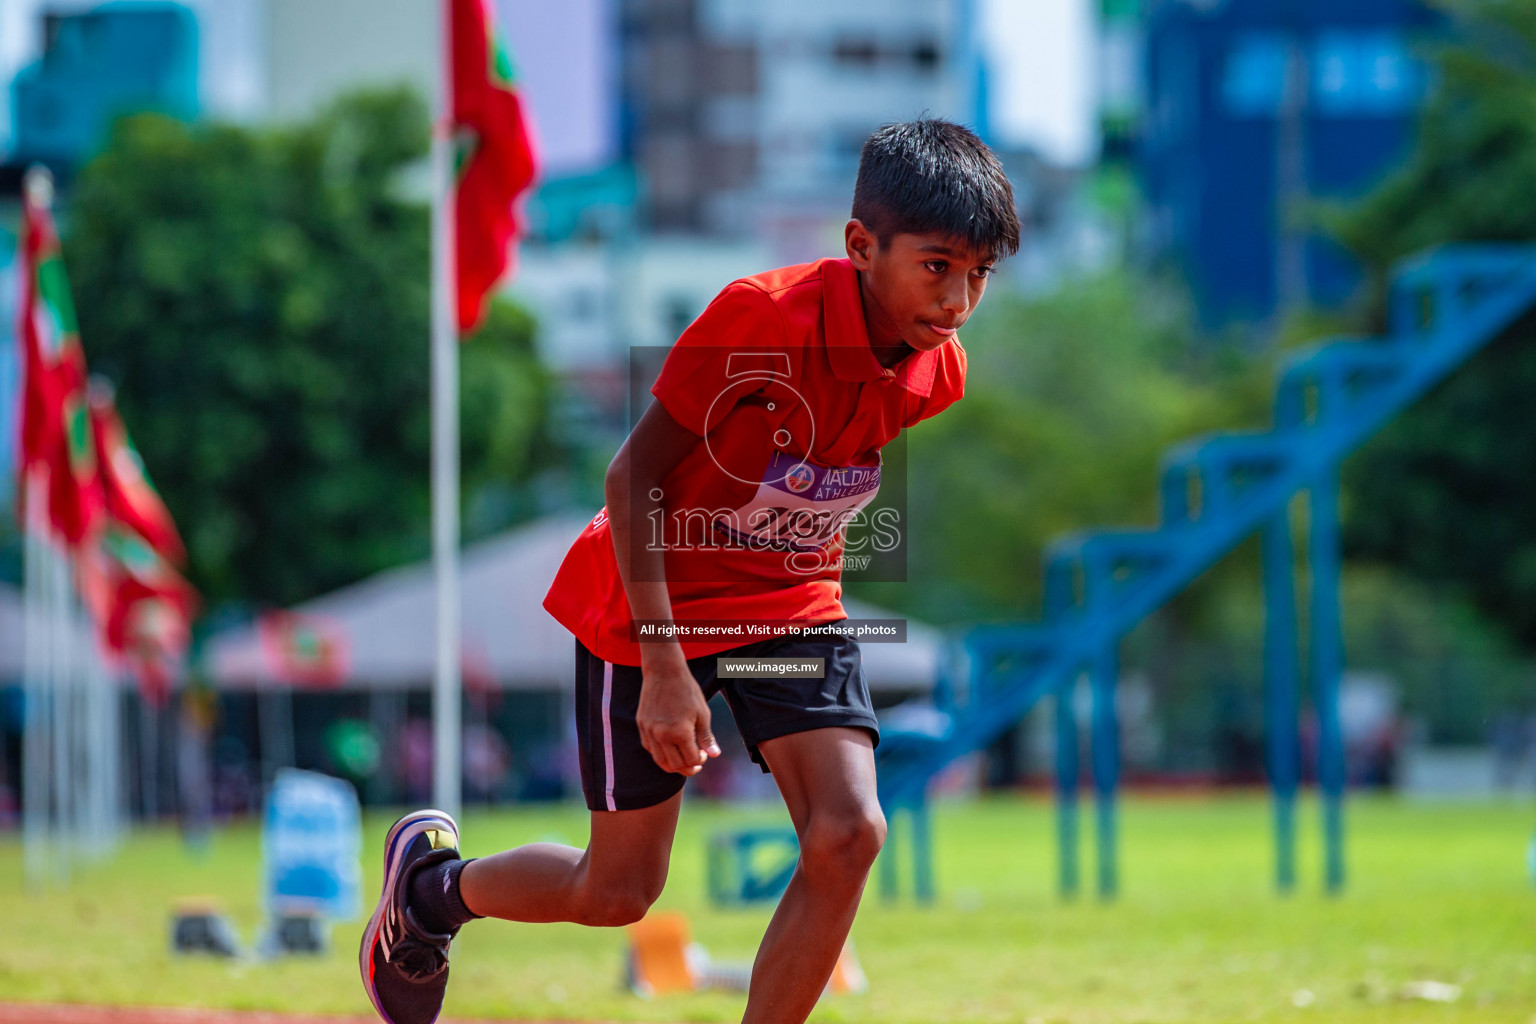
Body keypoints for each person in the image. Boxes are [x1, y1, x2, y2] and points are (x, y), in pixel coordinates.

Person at [359, 118, 1020, 1024]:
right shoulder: (760, 319)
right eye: (937, 266)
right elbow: (632, 477)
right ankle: (433, 892)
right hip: (648, 606)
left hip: (789, 615)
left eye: (980, 275)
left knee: (850, 832)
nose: (956, 301)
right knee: (618, 891)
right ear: (862, 246)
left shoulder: (938, 373)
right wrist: (668, 670)